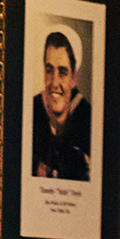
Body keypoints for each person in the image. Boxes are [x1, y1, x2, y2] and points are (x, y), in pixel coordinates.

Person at [31, 30, 91, 181]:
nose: (54, 83)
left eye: (62, 72)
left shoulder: (88, 119)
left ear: (73, 78)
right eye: (49, 70)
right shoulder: (31, 111)